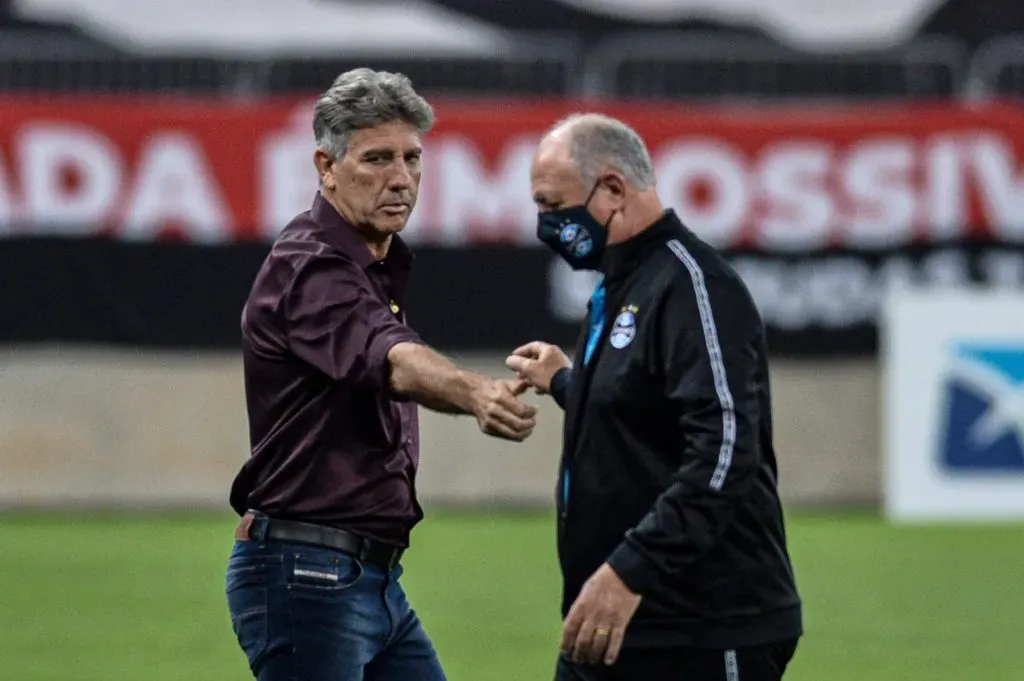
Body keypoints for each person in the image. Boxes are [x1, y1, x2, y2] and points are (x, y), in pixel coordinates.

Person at [224, 68, 537, 681]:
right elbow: (391, 356)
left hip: (370, 580)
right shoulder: (310, 265)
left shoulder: (368, 263)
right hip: (308, 575)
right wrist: (475, 392)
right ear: (326, 165)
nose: (401, 178)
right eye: (377, 158)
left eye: (412, 158)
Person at [505, 113, 803, 681]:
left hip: (702, 625)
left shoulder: (695, 286)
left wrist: (631, 571)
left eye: (552, 205)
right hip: (613, 619)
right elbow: (645, 413)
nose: (545, 224)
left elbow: (725, 450)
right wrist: (568, 384)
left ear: (613, 189)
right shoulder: (618, 287)